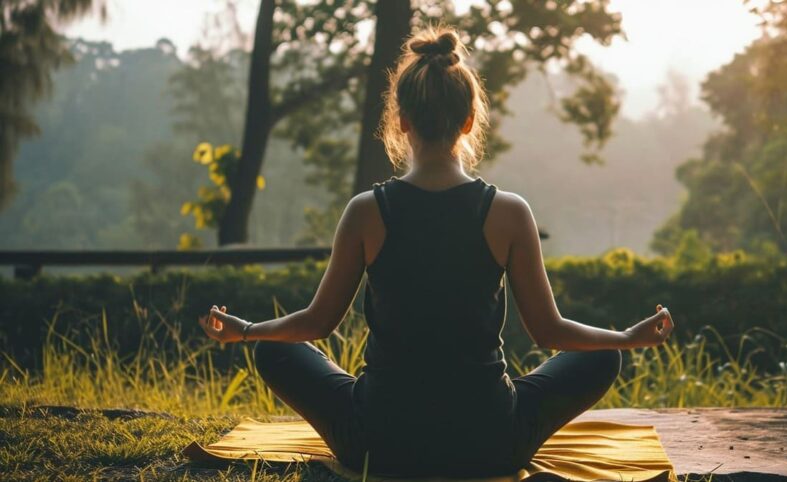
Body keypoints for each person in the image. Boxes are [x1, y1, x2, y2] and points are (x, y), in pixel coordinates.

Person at [198, 26, 674, 478]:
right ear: (469, 121)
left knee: (276, 349)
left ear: (401, 122)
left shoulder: (367, 211)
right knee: (603, 355)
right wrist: (626, 337)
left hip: (378, 444)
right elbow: (549, 331)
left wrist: (246, 331)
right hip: (490, 443)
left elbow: (318, 324)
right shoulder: (508, 212)